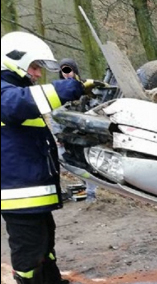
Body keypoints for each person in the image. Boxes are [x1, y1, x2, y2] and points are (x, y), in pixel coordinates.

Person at [1, 31, 100, 284]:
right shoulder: (6, 91)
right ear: (14, 61)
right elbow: (20, 103)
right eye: (34, 67)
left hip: (31, 185)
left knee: (45, 238)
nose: (36, 73)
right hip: (16, 190)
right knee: (28, 245)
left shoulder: (14, 88)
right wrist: (69, 88)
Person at [58, 58, 97, 203]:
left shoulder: (85, 87)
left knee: (87, 163)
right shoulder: (57, 90)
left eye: (69, 70)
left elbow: (95, 107)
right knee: (68, 161)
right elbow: (56, 113)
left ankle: (91, 192)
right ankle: (84, 188)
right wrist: (59, 136)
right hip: (67, 134)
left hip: (85, 132)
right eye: (64, 71)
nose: (67, 74)